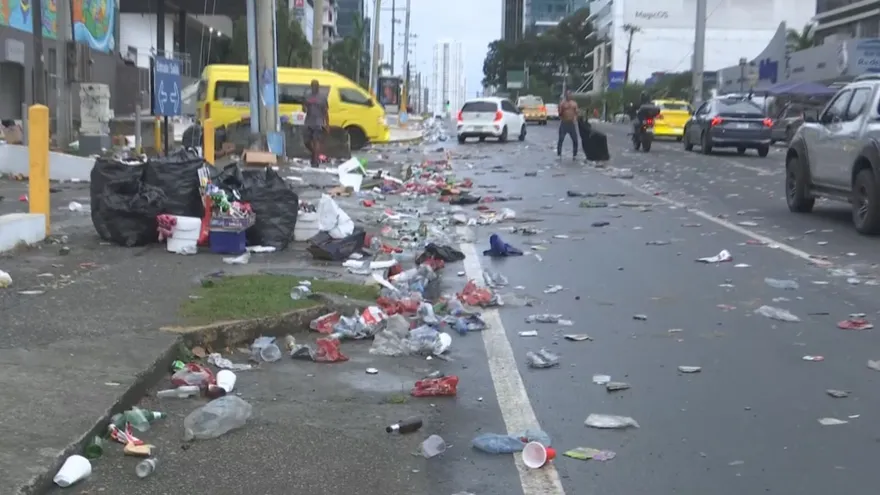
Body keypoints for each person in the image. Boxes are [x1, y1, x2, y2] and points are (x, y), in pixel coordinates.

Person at [303, 79, 329, 167]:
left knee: (316, 141)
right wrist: (305, 108)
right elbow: (304, 108)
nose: (314, 87)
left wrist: (327, 124)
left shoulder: (322, 98)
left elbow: (325, 112)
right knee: (306, 141)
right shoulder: (307, 96)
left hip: (319, 122)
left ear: (318, 87)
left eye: (315, 86)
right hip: (309, 122)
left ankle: (315, 161)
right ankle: (315, 154)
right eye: (313, 86)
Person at [557, 90, 579, 159]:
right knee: (561, 139)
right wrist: (561, 110)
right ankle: (559, 153)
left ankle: (574, 154)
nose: (569, 96)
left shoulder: (574, 104)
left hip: (571, 123)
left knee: (575, 140)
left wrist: (575, 118)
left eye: (570, 94)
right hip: (564, 123)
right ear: (566, 95)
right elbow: (560, 113)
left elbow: (576, 112)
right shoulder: (562, 103)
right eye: (568, 94)